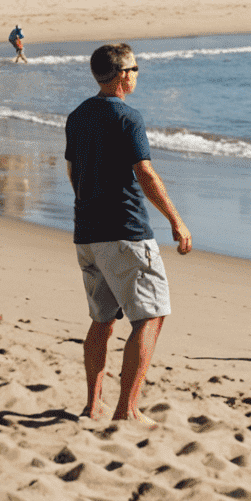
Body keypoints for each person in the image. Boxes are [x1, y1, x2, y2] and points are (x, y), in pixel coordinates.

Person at [64, 44, 193, 421]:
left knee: (103, 318)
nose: (137, 74)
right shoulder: (127, 117)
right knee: (150, 316)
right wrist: (176, 220)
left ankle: (93, 404)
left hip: (87, 231)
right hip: (125, 230)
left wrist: (87, 204)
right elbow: (145, 173)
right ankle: (127, 409)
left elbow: (74, 172)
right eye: (134, 69)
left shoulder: (77, 116)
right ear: (121, 75)